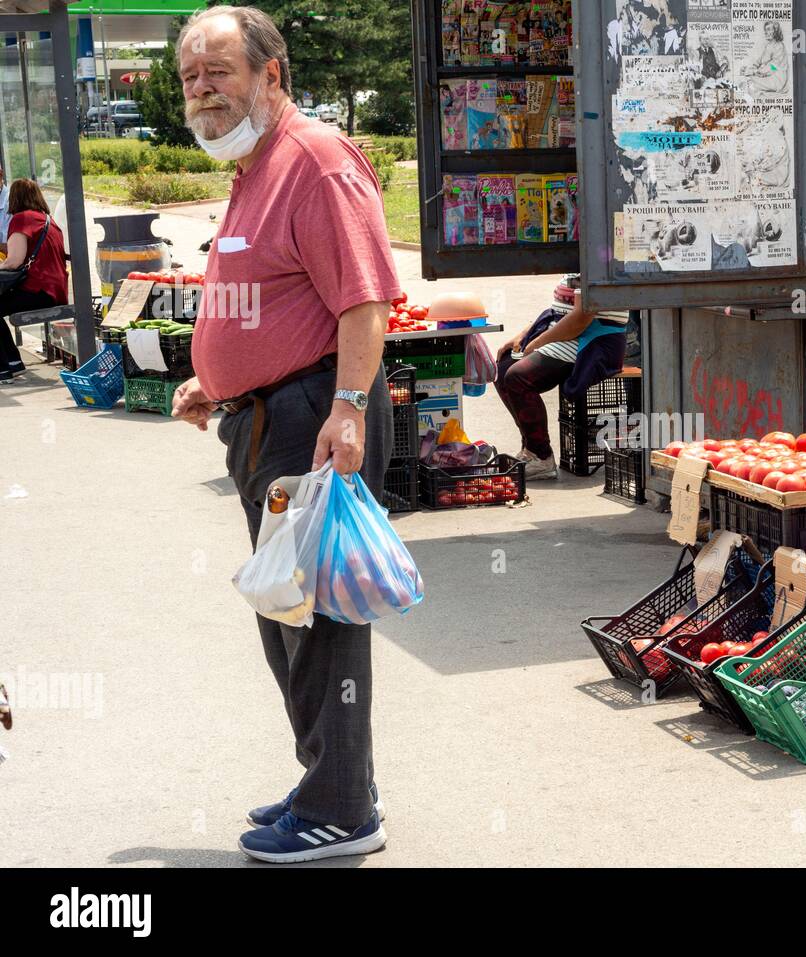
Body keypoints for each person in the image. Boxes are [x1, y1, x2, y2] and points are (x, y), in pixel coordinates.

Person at [169, 5, 401, 863]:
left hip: (312, 419)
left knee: (318, 621)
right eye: (191, 77)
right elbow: (277, 299)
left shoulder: (314, 158)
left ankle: (342, 809)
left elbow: (364, 299)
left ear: (272, 75)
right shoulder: (257, 163)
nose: (203, 91)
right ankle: (333, 782)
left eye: (219, 72)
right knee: (288, 611)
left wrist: (346, 405)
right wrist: (218, 380)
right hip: (272, 415)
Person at [495, 276, 628, 479]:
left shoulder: (596, 258)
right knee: (503, 369)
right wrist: (525, 334)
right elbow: (560, 311)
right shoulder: (576, 255)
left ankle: (541, 456)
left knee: (518, 377)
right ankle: (530, 447)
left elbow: (581, 317)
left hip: (593, 338)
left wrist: (538, 341)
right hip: (564, 331)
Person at [0, 178, 67, 383]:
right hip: (54, 291)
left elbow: (14, 261)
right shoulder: (48, 220)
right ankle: (12, 364)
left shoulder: (21, 219)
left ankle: (6, 367)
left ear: (15, 198)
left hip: (38, 291)